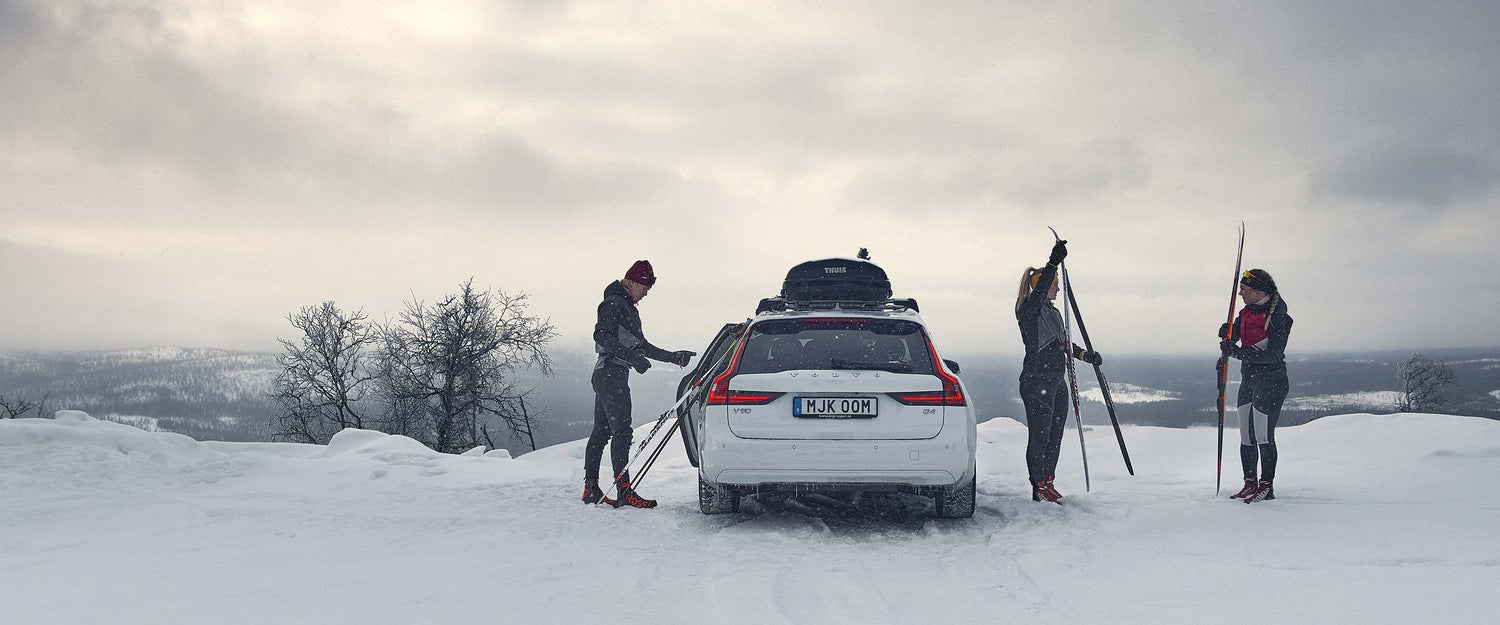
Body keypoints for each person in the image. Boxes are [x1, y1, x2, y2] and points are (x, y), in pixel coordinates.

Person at [582, 260, 696, 508]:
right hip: (611, 373)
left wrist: (673, 357)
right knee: (622, 431)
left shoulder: (626, 306)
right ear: (632, 281)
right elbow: (601, 335)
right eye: (644, 286)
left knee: (601, 433)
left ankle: (591, 489)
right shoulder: (614, 303)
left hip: (608, 373)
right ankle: (624, 491)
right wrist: (633, 358)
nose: (646, 293)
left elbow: (641, 345)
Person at [1015, 240, 1101, 503]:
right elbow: (1039, 294)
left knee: (1054, 434)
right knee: (1040, 435)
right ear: (1041, 284)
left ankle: (1048, 480)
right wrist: (1052, 263)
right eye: (1054, 284)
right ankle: (1038, 485)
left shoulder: (1052, 314)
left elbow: (1063, 344)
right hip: (1036, 380)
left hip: (1056, 380)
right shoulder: (1029, 310)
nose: (1058, 287)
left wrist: (1085, 355)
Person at [1219, 269, 1293, 503]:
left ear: (1259, 291)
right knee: (1246, 436)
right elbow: (1236, 337)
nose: (1240, 292)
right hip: (1249, 380)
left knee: (1263, 436)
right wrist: (1228, 334)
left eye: (1245, 289)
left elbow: (1273, 354)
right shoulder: (1247, 312)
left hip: (1271, 382)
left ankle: (1266, 485)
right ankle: (1249, 482)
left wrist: (1238, 352)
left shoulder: (1279, 316)